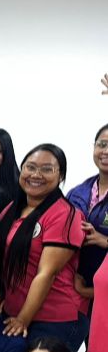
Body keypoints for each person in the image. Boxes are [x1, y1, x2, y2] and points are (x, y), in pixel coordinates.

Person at [0, 144, 87, 352]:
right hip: (14, 311)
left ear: (60, 176)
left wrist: (23, 319)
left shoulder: (65, 215)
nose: (36, 175)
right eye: (30, 167)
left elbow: (47, 273)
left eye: (47, 169)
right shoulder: (12, 209)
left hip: (55, 317)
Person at [67, 124, 108, 338]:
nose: (106, 151)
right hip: (75, 291)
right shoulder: (77, 192)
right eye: (102, 144)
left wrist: (105, 241)